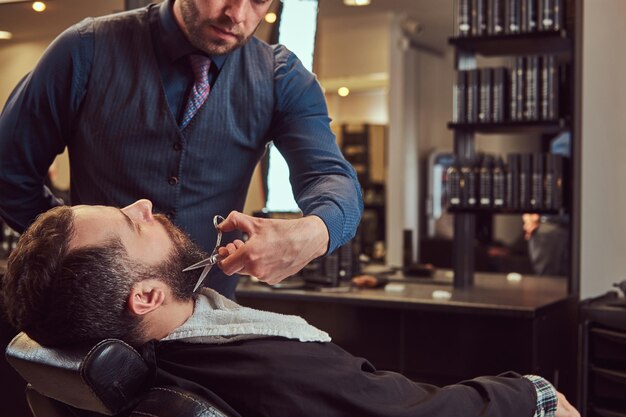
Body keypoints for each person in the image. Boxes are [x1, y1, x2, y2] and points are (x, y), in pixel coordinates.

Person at [2, 200, 579, 417]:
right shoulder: (274, 370)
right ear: (148, 296)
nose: (146, 203)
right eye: (134, 222)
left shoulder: (147, 356)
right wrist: (536, 394)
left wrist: (312, 228)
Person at [0, 0, 363, 298]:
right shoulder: (85, 49)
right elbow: (8, 173)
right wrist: (71, 243)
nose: (237, 14)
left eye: (257, 1)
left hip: (208, 318)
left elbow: (330, 176)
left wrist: (317, 231)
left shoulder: (280, 76)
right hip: (90, 308)